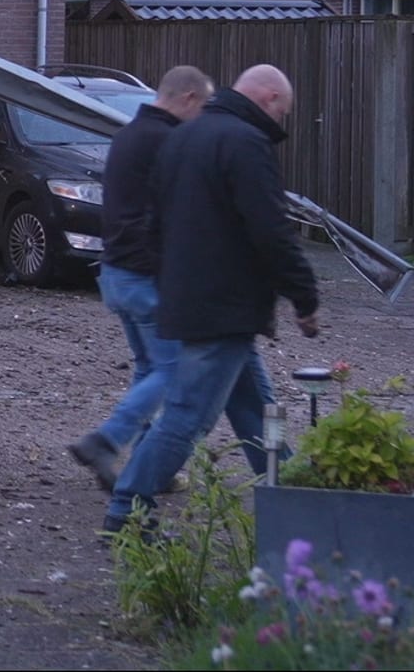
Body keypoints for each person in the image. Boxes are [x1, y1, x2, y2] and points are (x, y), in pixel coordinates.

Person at [101, 64, 322, 536]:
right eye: (282, 109)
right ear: (267, 99)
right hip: (224, 307)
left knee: (253, 408)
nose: (281, 119)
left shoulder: (181, 138)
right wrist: (304, 295)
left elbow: (153, 222)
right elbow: (270, 228)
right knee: (187, 415)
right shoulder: (245, 143)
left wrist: (173, 281)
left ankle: (289, 497)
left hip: (195, 301)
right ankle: (126, 507)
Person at [67, 65, 214, 491]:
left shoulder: (129, 134)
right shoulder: (167, 141)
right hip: (146, 275)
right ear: (187, 98)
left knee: (150, 368)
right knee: (176, 371)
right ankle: (108, 439)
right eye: (202, 107)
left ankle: (145, 466)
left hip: (116, 272)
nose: (201, 117)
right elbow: (178, 215)